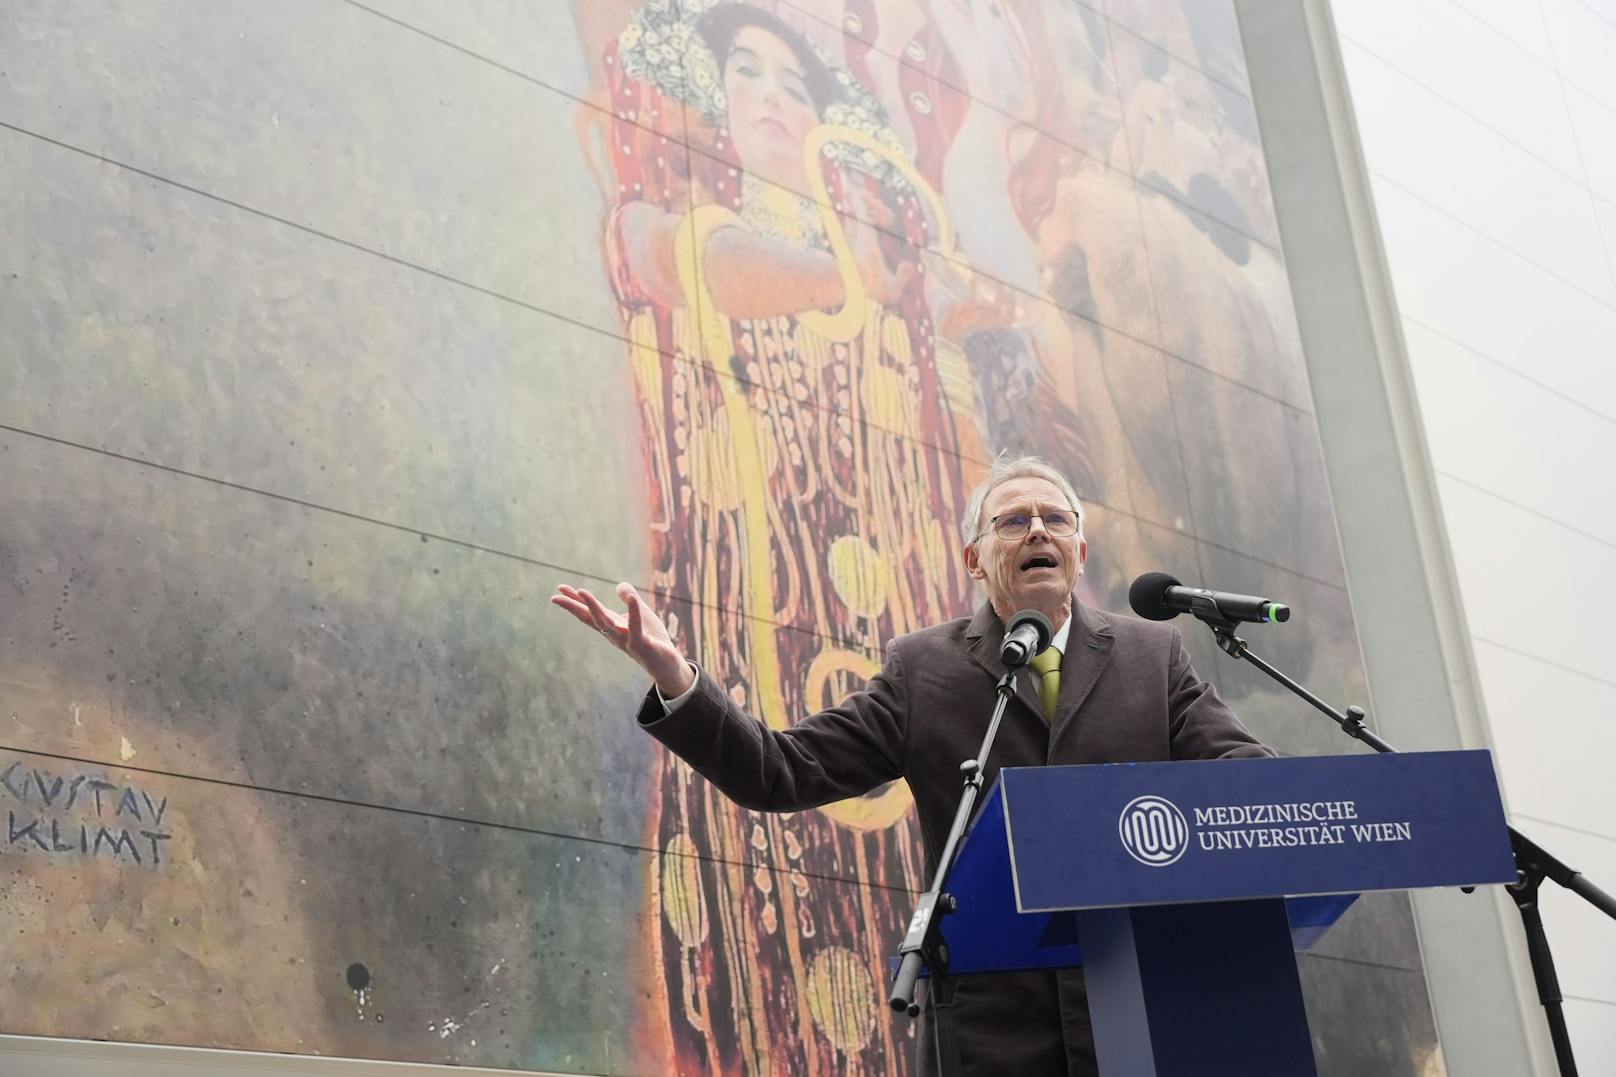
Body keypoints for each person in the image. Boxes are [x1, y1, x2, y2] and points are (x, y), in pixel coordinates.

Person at [553, 453, 1274, 1075]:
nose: (1036, 531)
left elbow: (1246, 779)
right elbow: (780, 769)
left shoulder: (1154, 658)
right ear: (974, 558)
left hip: (1142, 1015)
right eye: (1012, 520)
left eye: (1055, 519)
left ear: (1080, 552)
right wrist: (678, 675)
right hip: (993, 1033)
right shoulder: (924, 670)